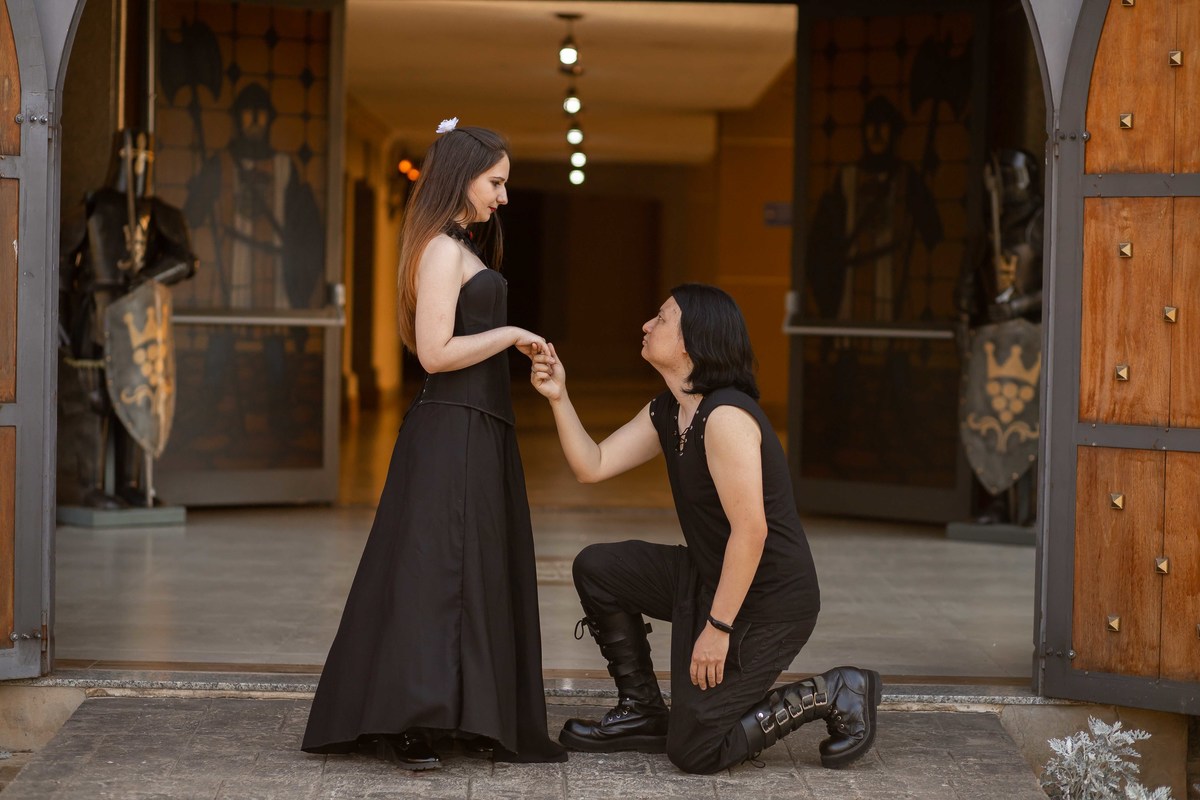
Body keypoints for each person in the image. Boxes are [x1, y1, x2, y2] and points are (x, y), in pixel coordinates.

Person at [529, 284, 880, 774]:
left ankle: (833, 691)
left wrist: (717, 629)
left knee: (695, 749)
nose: (647, 325)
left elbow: (751, 532)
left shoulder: (726, 417)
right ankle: (642, 711)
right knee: (599, 567)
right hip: (709, 575)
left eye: (661, 318)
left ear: (693, 340)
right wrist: (558, 397)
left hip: (768, 603)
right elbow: (594, 464)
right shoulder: (670, 409)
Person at [302, 119, 566, 768]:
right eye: (495, 183)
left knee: (461, 570)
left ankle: (456, 713)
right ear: (462, 177)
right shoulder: (444, 251)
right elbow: (434, 352)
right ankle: (413, 720)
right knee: (437, 573)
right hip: (454, 426)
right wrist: (512, 336)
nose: (504, 197)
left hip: (476, 424)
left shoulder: (456, 246)